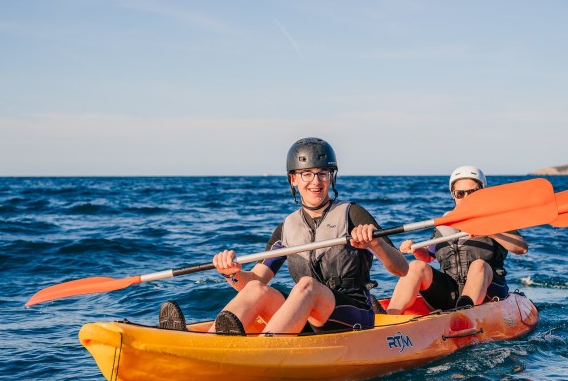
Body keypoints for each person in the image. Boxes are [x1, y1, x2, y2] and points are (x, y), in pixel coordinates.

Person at [159, 137, 408, 335]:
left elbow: (401, 269)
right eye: (307, 173)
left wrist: (375, 243)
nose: (316, 181)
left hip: (352, 314)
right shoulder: (287, 227)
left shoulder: (353, 213)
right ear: (293, 179)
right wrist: (231, 274)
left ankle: (265, 351)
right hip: (307, 317)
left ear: (331, 177)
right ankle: (207, 344)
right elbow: (254, 281)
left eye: (323, 173)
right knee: (257, 289)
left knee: (306, 286)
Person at [385, 166, 528, 315]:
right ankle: (390, 317)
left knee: (479, 265)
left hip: (488, 293)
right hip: (451, 294)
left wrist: (490, 232)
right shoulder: (445, 224)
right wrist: (415, 249)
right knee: (415, 266)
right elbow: (428, 256)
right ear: (453, 195)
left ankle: (465, 311)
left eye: (472, 192)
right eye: (460, 193)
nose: (466, 198)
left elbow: (521, 248)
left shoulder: (494, 220)